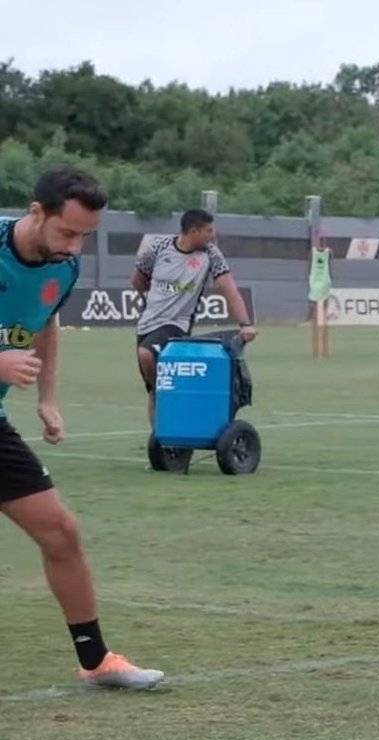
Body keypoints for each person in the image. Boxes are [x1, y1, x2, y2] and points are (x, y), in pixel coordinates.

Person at [0, 168, 163, 689]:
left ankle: (95, 661)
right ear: (36, 211)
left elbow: (45, 322)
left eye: (85, 236)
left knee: (61, 532)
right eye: (66, 232)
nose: (74, 246)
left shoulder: (62, 268)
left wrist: (48, 399)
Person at [131, 209, 256, 425]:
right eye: (209, 230)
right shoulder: (158, 248)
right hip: (147, 324)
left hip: (176, 325)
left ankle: (168, 398)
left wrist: (245, 324)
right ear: (194, 231)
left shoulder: (211, 254)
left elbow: (229, 289)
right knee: (153, 390)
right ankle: (163, 442)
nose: (213, 235)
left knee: (146, 355)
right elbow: (138, 280)